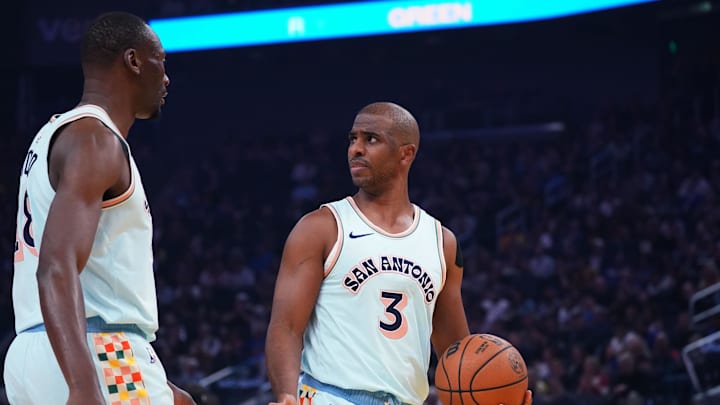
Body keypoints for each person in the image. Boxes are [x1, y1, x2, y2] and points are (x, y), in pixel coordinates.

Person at [265, 102, 532, 405]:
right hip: (331, 396)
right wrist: (286, 394)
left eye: (371, 139)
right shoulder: (321, 227)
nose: (356, 149)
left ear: (406, 153)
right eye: (353, 139)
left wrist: (495, 396)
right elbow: (286, 326)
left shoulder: (441, 242)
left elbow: (455, 351)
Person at [3, 11, 195, 405]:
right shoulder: (97, 140)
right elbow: (56, 267)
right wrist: (83, 384)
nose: (166, 78)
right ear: (134, 60)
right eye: (162, 62)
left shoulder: (53, 134)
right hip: (96, 350)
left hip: (32, 352)